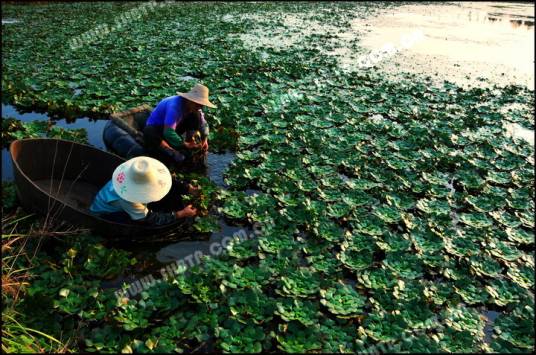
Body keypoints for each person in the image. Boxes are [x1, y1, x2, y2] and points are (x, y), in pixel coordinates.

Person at [90, 156, 198, 225]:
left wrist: (188, 189)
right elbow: (149, 218)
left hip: (108, 196)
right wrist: (181, 214)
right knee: (136, 223)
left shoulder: (134, 173)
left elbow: (167, 180)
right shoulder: (128, 199)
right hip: (104, 212)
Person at [143, 83, 216, 166]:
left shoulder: (195, 108)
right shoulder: (174, 107)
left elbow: (203, 124)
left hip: (174, 126)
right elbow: (168, 132)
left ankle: (190, 144)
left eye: (201, 105)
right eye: (197, 104)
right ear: (190, 100)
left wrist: (204, 139)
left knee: (195, 117)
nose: (199, 107)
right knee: (149, 131)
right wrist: (184, 144)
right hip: (159, 128)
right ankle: (172, 149)